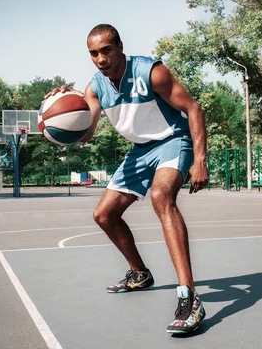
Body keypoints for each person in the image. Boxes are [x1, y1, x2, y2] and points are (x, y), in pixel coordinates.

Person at [45, 24, 209, 334]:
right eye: (93, 53)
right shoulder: (95, 88)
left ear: (120, 46)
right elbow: (86, 132)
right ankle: (140, 273)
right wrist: (63, 107)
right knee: (104, 214)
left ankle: (189, 297)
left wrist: (200, 159)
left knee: (162, 197)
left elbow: (193, 108)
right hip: (139, 152)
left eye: (106, 50)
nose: (100, 59)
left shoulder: (151, 72)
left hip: (173, 141)